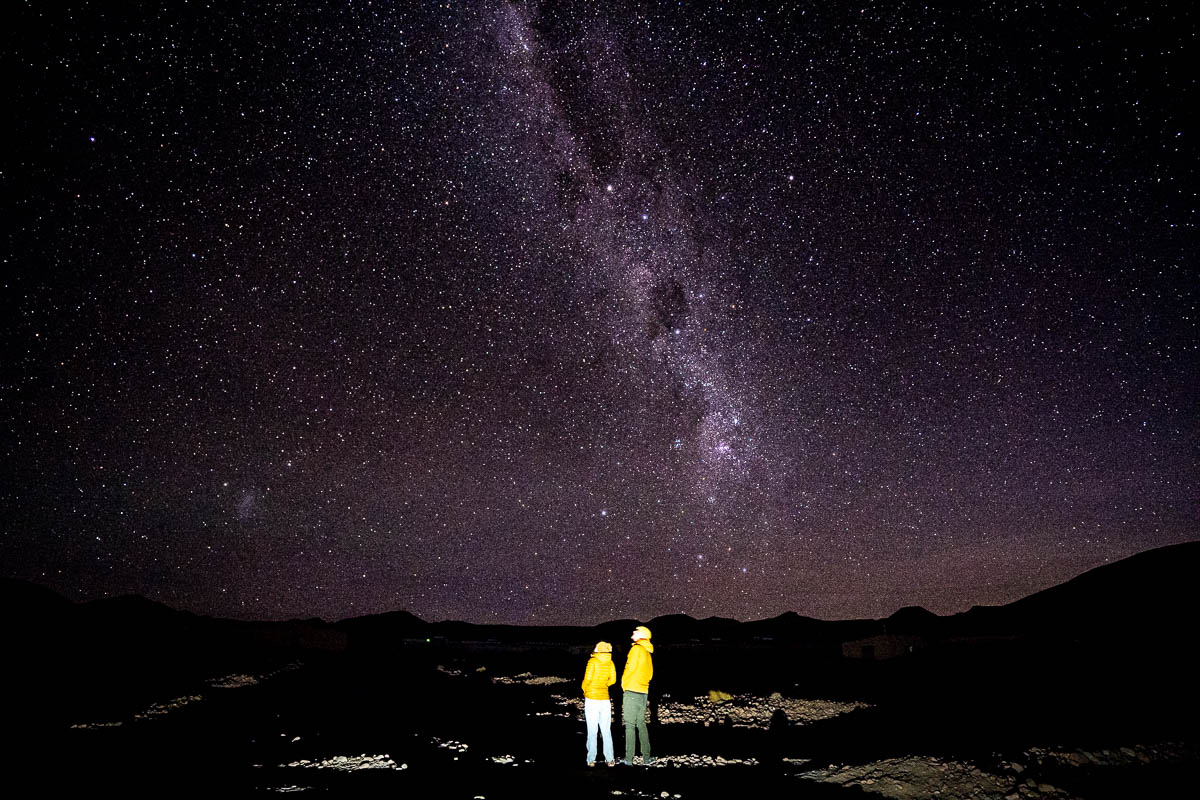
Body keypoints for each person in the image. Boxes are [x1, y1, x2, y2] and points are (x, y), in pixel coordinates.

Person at [621, 625, 655, 765]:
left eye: (635, 632)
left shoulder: (636, 649)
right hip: (643, 692)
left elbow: (629, 668)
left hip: (632, 690)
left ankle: (629, 759)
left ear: (642, 634)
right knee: (641, 724)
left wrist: (624, 684)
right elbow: (650, 674)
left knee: (629, 725)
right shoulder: (647, 652)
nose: (632, 634)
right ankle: (646, 758)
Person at [582, 641, 617, 767]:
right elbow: (613, 680)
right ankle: (610, 759)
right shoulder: (611, 662)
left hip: (592, 699)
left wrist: (585, 690)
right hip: (605, 700)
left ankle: (591, 759)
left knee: (592, 730)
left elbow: (587, 679)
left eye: (596, 646)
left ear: (599, 649)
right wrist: (603, 686)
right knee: (606, 731)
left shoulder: (592, 662)